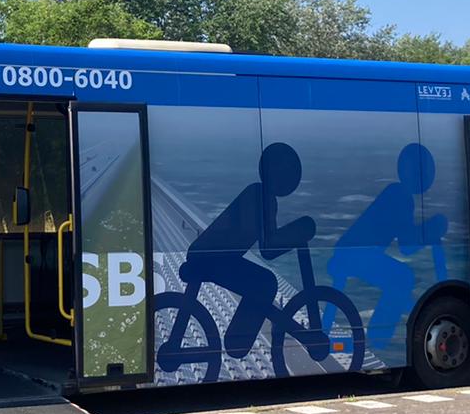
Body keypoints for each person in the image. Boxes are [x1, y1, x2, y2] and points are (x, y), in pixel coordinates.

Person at [163, 143, 316, 362]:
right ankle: (237, 343)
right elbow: (268, 249)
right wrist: (301, 230)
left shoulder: (259, 193)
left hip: (214, 255)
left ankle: (237, 342)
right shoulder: (261, 196)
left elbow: (265, 245)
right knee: (265, 283)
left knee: (263, 283)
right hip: (212, 257)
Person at [327, 143, 448, 348]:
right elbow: (406, 246)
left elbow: (405, 241)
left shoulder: (397, 192)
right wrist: (431, 229)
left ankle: (378, 336)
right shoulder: (400, 196)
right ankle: (377, 340)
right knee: (403, 277)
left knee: (401, 277)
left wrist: (426, 231)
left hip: (352, 252)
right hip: (355, 255)